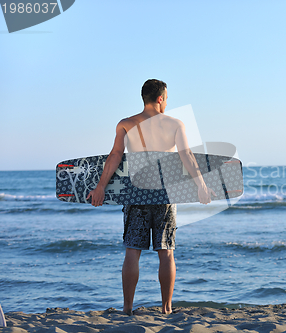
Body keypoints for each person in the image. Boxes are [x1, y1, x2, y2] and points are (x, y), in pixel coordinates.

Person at [87, 79, 215, 315]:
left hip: (136, 193)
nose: (167, 102)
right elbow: (186, 155)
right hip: (165, 194)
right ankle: (166, 308)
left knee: (132, 251)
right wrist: (202, 185)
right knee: (166, 252)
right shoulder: (175, 124)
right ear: (160, 98)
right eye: (167, 98)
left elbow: (115, 156)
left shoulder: (126, 124)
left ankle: (127, 308)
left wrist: (100, 187)